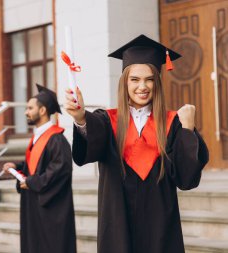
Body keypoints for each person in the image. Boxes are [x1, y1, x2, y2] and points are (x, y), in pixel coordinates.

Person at [65, 35, 209, 253]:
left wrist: (188, 129)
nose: (143, 86)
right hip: (117, 226)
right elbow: (88, 145)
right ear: (124, 82)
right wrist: (80, 118)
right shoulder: (107, 121)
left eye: (150, 79)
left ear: (157, 82)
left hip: (160, 229)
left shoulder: (173, 124)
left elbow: (187, 179)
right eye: (135, 79)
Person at [2, 84, 76, 253]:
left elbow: (60, 170)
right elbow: (37, 163)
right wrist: (17, 166)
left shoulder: (56, 139)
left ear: (42, 111)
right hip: (35, 204)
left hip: (52, 209)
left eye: (30, 108)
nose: (26, 112)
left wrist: (33, 181)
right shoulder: (39, 136)